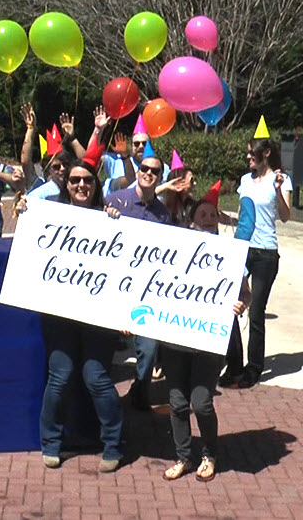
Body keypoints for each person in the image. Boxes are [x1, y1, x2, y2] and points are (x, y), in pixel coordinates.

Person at [37, 144, 124, 473]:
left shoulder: (109, 217)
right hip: (59, 315)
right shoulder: (49, 215)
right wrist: (22, 209)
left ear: (96, 184)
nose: (81, 186)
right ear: (66, 184)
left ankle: (114, 444)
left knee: (96, 378)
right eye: (74, 181)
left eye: (87, 180)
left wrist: (115, 222)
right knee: (59, 377)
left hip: (98, 317)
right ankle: (51, 443)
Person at [162, 197, 251, 482]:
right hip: (175, 337)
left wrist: (242, 304)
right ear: (191, 220)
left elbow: (245, 292)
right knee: (177, 402)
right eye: (203, 214)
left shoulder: (231, 253)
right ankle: (184, 456)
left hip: (209, 338)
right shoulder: (175, 248)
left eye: (213, 214)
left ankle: (209, 452)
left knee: (200, 402)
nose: (209, 218)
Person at [220, 133, 291, 388]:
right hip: (243, 249)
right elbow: (244, 217)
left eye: (252, 152)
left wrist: (278, 190)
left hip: (266, 253)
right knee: (229, 304)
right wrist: (223, 218)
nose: (248, 156)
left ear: (266, 153)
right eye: (248, 153)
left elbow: (284, 216)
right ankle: (235, 365)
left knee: (256, 311)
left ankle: (254, 367)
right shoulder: (244, 181)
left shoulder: (280, 179)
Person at [105, 146, 170, 411]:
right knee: (102, 349)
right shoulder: (115, 199)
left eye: (155, 171)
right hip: (110, 288)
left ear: (160, 177)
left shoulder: (163, 214)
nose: (148, 174)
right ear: (138, 170)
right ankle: (102, 400)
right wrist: (106, 217)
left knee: (149, 347)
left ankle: (141, 391)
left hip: (145, 292)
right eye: (144, 169)